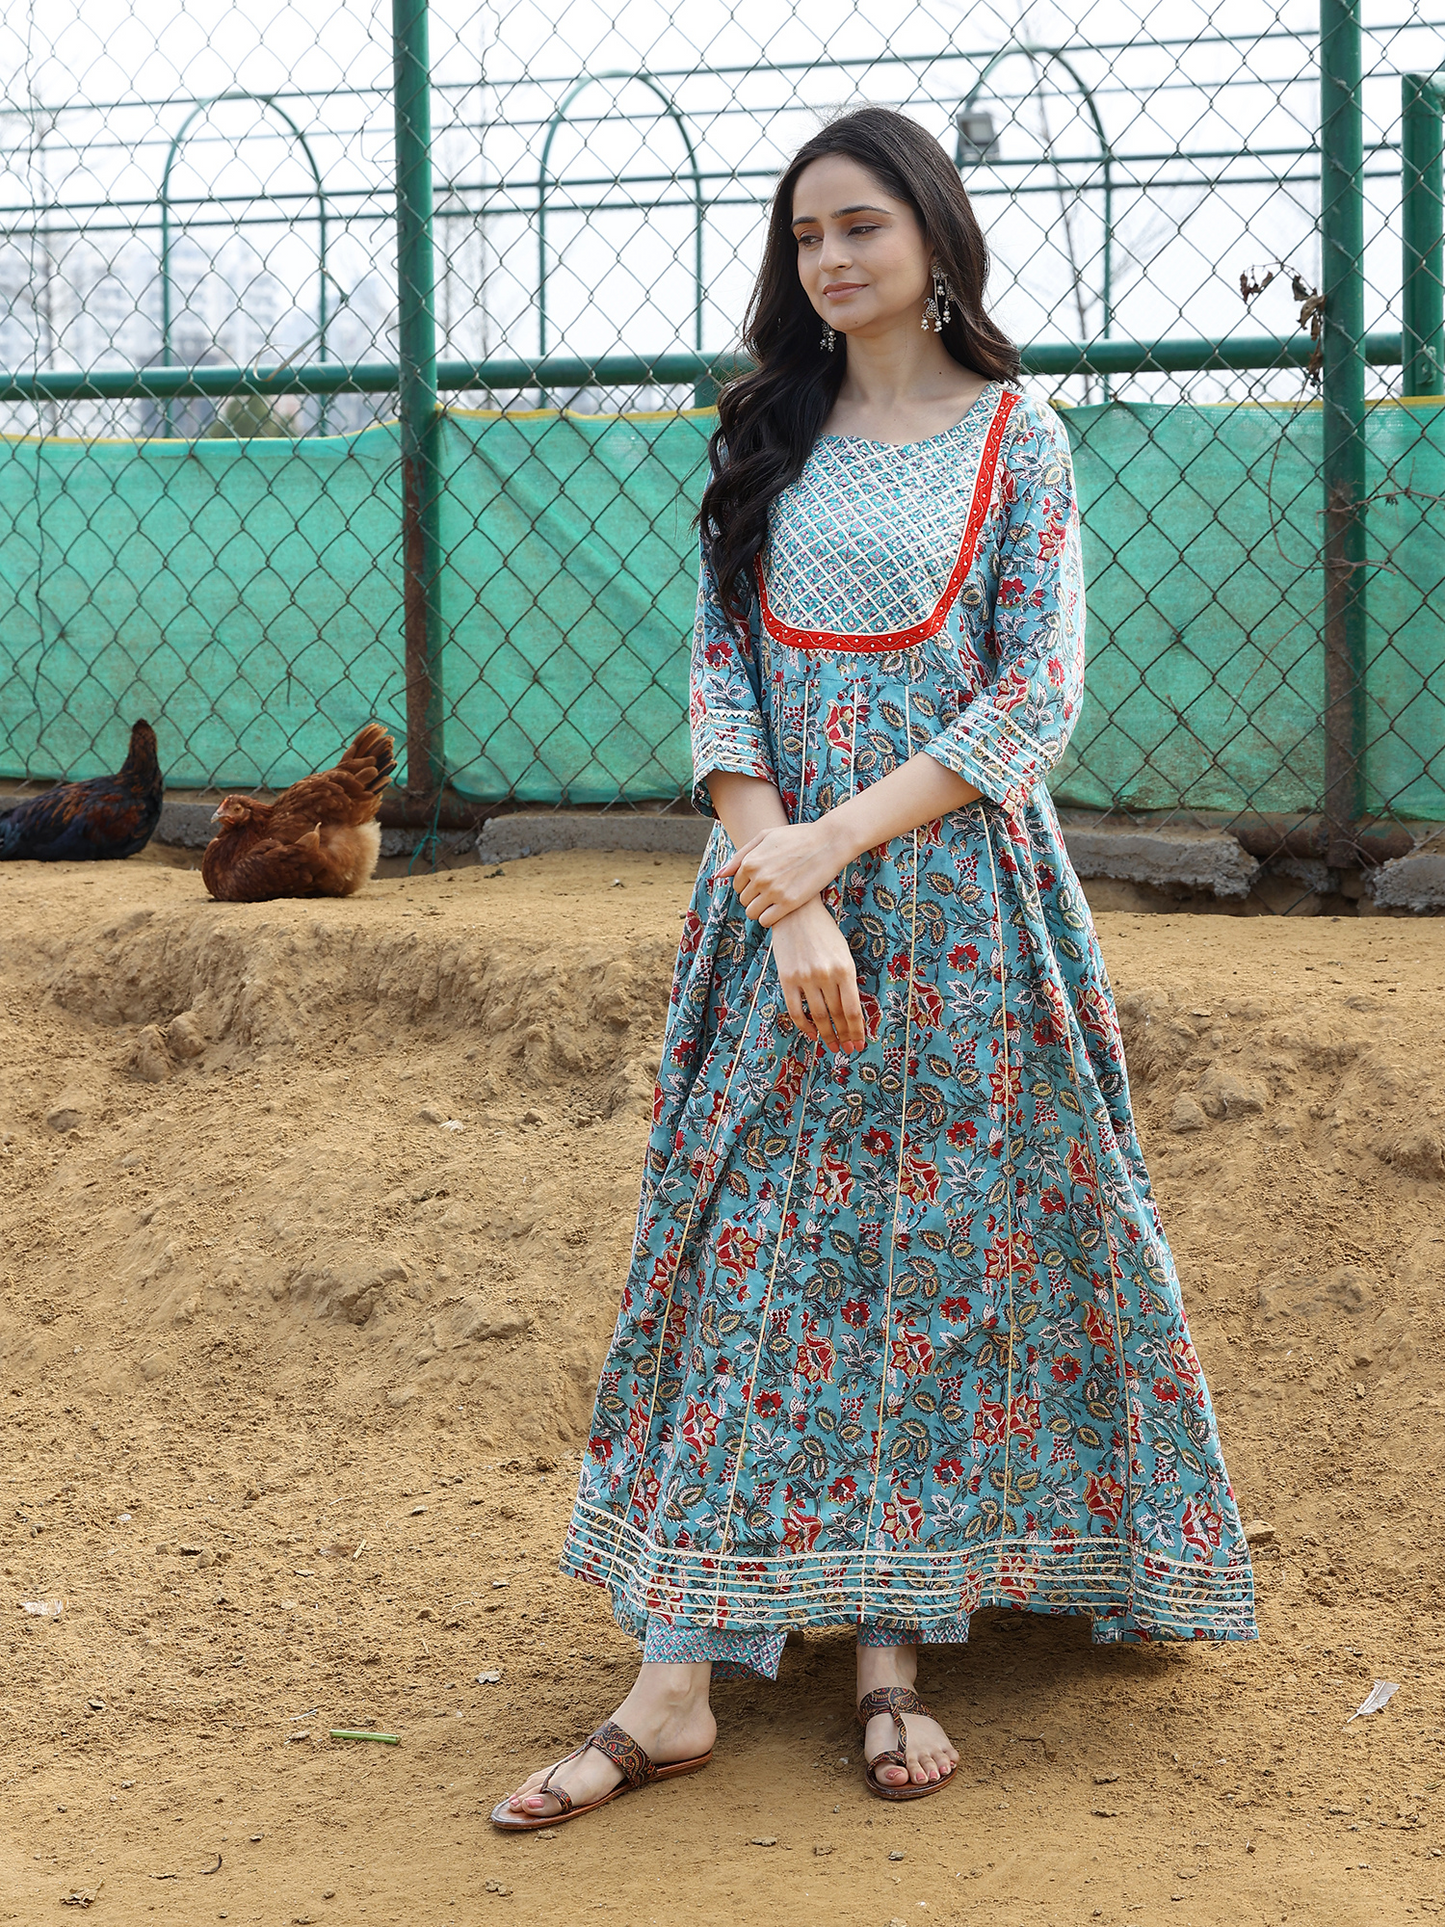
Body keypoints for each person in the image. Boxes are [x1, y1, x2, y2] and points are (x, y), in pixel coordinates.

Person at [492, 104, 1255, 1831]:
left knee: (930, 1263)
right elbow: (723, 690)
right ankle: (672, 1674)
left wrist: (841, 845)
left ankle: (894, 1639)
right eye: (807, 235)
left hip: (969, 915)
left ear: (933, 232)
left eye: (863, 227)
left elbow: (1033, 699)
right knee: (740, 1253)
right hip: (776, 918)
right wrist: (788, 889)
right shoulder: (769, 428)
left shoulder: (1018, 439)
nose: (832, 260)